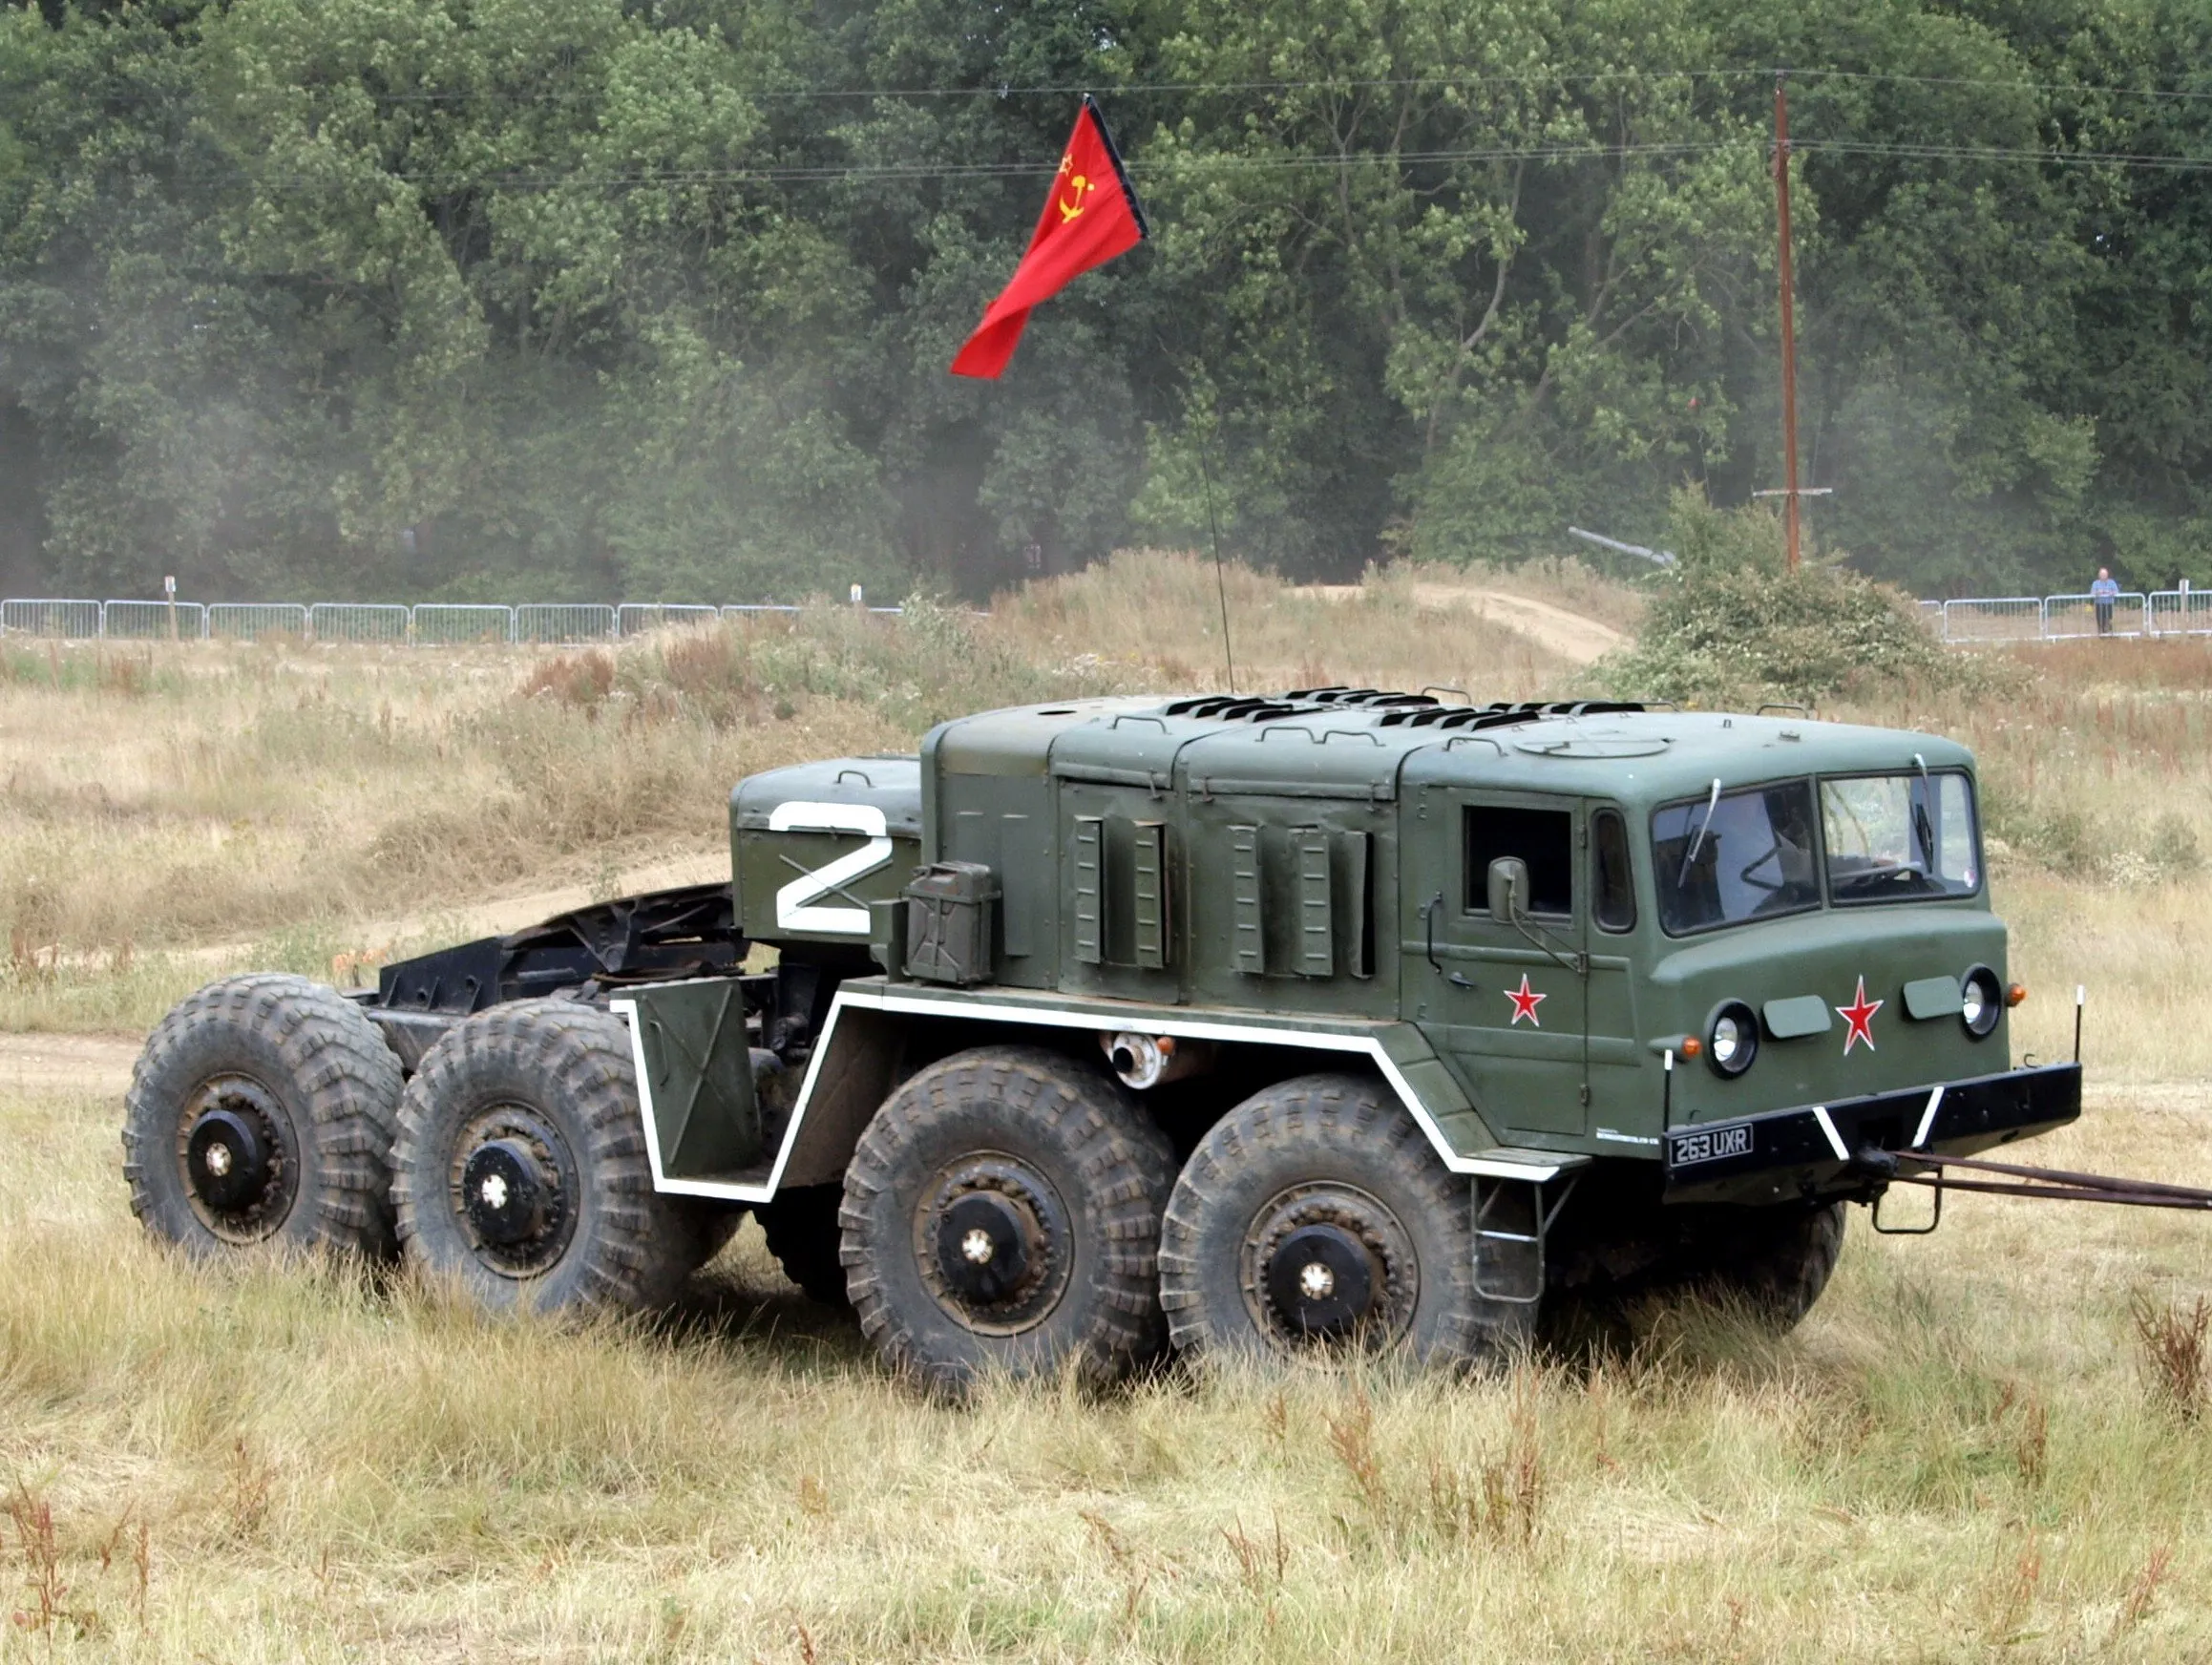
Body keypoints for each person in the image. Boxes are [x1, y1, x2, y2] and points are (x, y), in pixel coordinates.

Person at [2091, 566, 2119, 635]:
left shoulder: (2112, 582)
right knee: (2100, 620)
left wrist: (2110, 593)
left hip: (2108, 603)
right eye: (2102, 574)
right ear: (2099, 575)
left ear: (2107, 575)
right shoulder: (2095, 583)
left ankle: (2109, 633)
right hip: (2099, 604)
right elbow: (2092, 593)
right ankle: (2101, 634)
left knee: (2108, 619)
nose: (2103, 576)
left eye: (2104, 574)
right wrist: (2098, 593)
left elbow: (2116, 591)